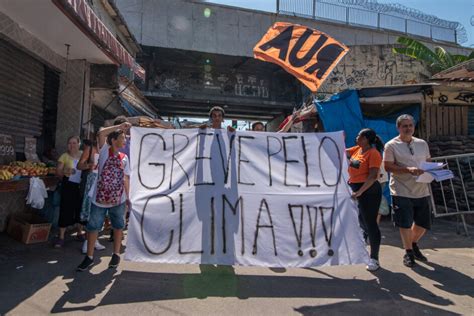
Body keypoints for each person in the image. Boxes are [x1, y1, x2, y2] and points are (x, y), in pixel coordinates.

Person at [77, 128, 130, 271]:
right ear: (113, 140)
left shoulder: (125, 158)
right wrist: (121, 126)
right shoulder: (105, 152)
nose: (124, 141)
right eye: (122, 138)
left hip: (118, 200)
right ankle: (89, 257)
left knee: (118, 226)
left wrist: (128, 196)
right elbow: (101, 133)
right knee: (93, 227)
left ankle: (116, 254)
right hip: (99, 200)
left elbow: (126, 177)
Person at [384, 114, 431, 268]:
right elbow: (388, 167)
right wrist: (407, 169)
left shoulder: (422, 143)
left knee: (423, 223)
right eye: (405, 126)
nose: (408, 128)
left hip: (421, 189)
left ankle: (413, 242)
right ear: (398, 128)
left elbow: (428, 162)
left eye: (410, 125)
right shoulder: (391, 145)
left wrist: (434, 170)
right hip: (401, 189)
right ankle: (409, 252)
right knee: (405, 223)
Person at [347, 128, 384, 271]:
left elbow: (373, 176)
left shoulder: (373, 153)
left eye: (359, 136)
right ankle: (363, 246)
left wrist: (360, 192)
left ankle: (374, 258)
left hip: (369, 191)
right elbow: (340, 149)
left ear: (366, 139)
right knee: (362, 221)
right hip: (357, 190)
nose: (356, 137)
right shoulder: (358, 149)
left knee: (370, 224)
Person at [77, 135, 105, 254]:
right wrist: (89, 165)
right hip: (89, 183)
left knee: (99, 212)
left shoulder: (107, 149)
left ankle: (95, 240)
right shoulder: (90, 148)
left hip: (101, 184)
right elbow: (79, 165)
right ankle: (88, 241)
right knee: (89, 211)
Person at [54, 136, 83, 248]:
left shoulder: (83, 155)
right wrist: (65, 171)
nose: (72, 145)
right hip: (68, 185)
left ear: (79, 144)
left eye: (74, 143)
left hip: (80, 186)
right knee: (65, 209)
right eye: (70, 143)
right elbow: (58, 172)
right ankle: (61, 236)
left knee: (79, 209)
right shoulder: (64, 156)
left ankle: (80, 232)